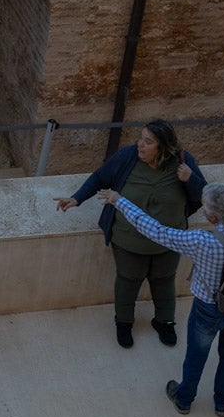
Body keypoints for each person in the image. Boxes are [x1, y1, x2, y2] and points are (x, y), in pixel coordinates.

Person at [95, 182, 224, 417]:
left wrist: (119, 200)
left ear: (213, 218)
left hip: (208, 310)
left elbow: (155, 230)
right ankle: (223, 403)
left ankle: (184, 400)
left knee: (196, 355)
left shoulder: (201, 241)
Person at [55, 120, 207, 349]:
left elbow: (204, 196)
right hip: (129, 240)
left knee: (164, 280)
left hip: (170, 241)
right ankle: (124, 323)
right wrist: (76, 198)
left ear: (163, 147)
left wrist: (190, 179)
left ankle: (165, 321)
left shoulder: (183, 162)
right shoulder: (127, 157)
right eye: (141, 139)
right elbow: (100, 177)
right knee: (128, 281)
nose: (141, 145)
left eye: (149, 142)